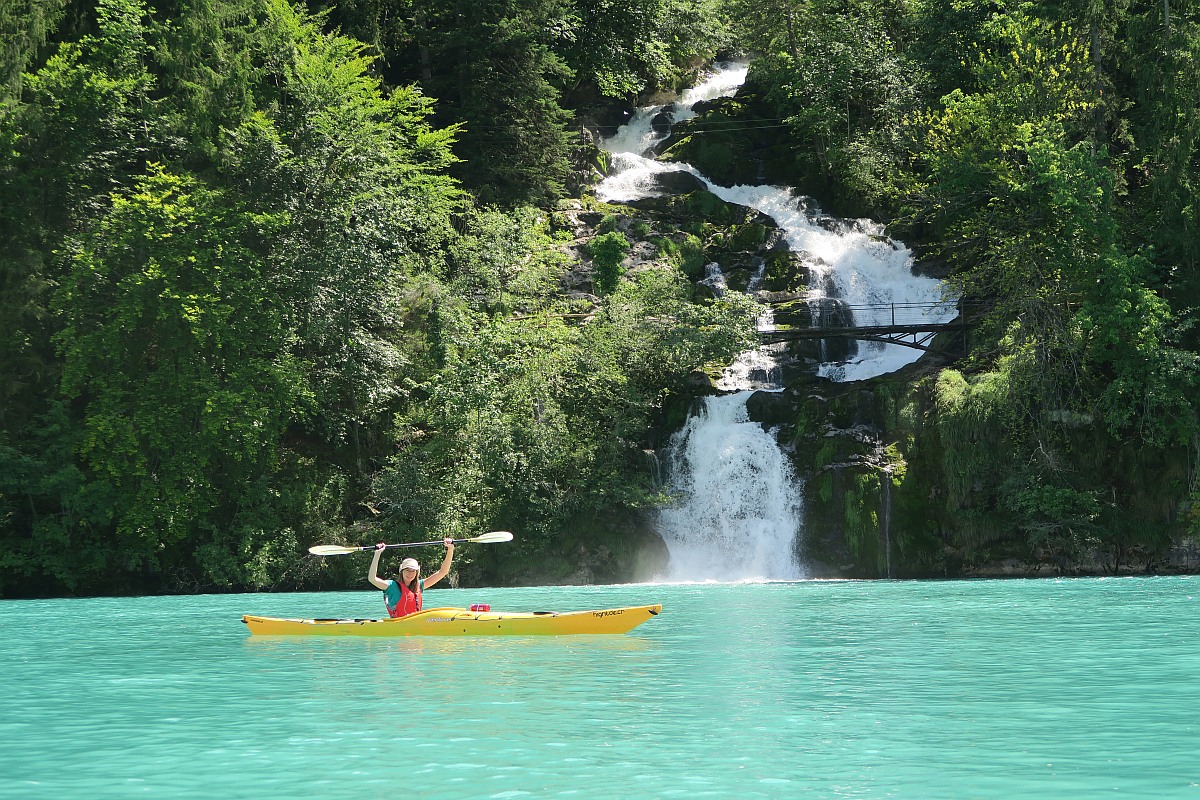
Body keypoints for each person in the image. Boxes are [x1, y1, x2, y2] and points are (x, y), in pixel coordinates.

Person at [368, 538, 455, 618]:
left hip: (415, 623)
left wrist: (450, 549)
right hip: (398, 624)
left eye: (413, 571)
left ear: (417, 573)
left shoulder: (419, 585)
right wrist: (377, 554)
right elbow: (372, 579)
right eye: (407, 570)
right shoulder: (391, 586)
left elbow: (443, 572)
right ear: (401, 571)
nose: (410, 574)